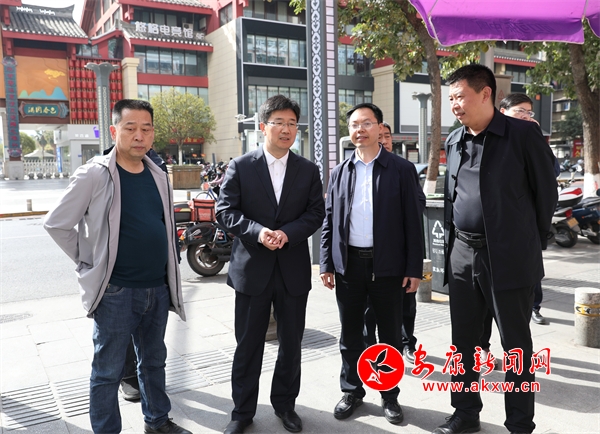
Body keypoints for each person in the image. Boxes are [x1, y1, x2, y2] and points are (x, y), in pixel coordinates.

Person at [43, 99, 191, 434]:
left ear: (153, 134)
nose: (139, 136)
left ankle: (157, 421)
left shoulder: (157, 173)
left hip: (157, 288)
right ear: (114, 131)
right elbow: (56, 223)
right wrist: (90, 260)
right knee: (108, 371)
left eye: (146, 129)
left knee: (153, 362)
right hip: (116, 292)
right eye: (130, 128)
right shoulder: (95, 173)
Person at [433, 65, 557, 434]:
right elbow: (451, 199)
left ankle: (519, 423)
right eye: (451, 98)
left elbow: (545, 194)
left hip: (509, 256)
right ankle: (465, 412)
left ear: (486, 93)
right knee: (464, 342)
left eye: (460, 96)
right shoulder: (454, 140)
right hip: (462, 254)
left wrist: (528, 242)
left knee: (516, 346)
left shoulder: (522, 135)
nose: (455, 104)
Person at [216, 95, 325, 434]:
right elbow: (225, 212)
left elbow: (315, 213)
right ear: (263, 126)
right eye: (279, 122)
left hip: (292, 271)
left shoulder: (307, 170)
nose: (286, 129)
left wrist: (287, 233)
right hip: (252, 270)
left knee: (291, 345)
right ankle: (242, 412)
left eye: (292, 123)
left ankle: (285, 405)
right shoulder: (241, 166)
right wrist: (259, 232)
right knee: (248, 346)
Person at [320, 102, 424, 425]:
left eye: (366, 123)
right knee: (350, 334)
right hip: (349, 267)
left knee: (389, 335)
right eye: (354, 124)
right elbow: (329, 220)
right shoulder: (340, 172)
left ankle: (389, 395)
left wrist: (414, 269)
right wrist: (326, 263)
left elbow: (413, 222)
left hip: (388, 268)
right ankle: (352, 390)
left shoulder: (401, 170)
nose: (360, 130)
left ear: (380, 128)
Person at [364, 120, 422, 364]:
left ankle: (407, 343)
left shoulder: (403, 169)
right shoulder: (361, 169)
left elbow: (418, 205)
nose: (383, 140)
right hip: (369, 259)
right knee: (368, 310)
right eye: (379, 136)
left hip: (399, 255)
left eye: (386, 136)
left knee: (406, 304)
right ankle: (370, 351)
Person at [500, 92, 560, 325]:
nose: (525, 116)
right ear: (503, 112)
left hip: (526, 218)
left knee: (530, 267)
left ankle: (534, 306)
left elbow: (551, 172)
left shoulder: (532, 136)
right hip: (501, 218)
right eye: (520, 111)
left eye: (528, 112)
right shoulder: (495, 138)